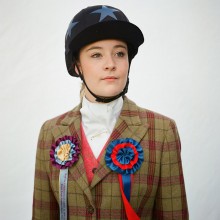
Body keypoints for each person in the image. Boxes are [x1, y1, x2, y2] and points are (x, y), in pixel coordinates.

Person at [32, 5, 188, 220]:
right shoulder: (50, 132)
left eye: (119, 53)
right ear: (77, 65)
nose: (110, 64)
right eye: (96, 54)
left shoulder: (162, 131)